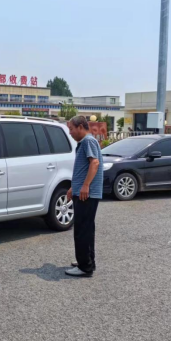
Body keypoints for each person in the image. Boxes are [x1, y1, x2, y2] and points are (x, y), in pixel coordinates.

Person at [66, 116, 104, 278]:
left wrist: (86, 185)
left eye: (72, 129)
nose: (70, 133)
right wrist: (73, 187)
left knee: (82, 230)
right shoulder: (84, 143)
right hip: (82, 192)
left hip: (87, 194)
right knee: (86, 229)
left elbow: (94, 163)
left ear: (81, 127)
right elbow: (83, 169)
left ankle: (85, 267)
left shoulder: (88, 142)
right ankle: (87, 261)